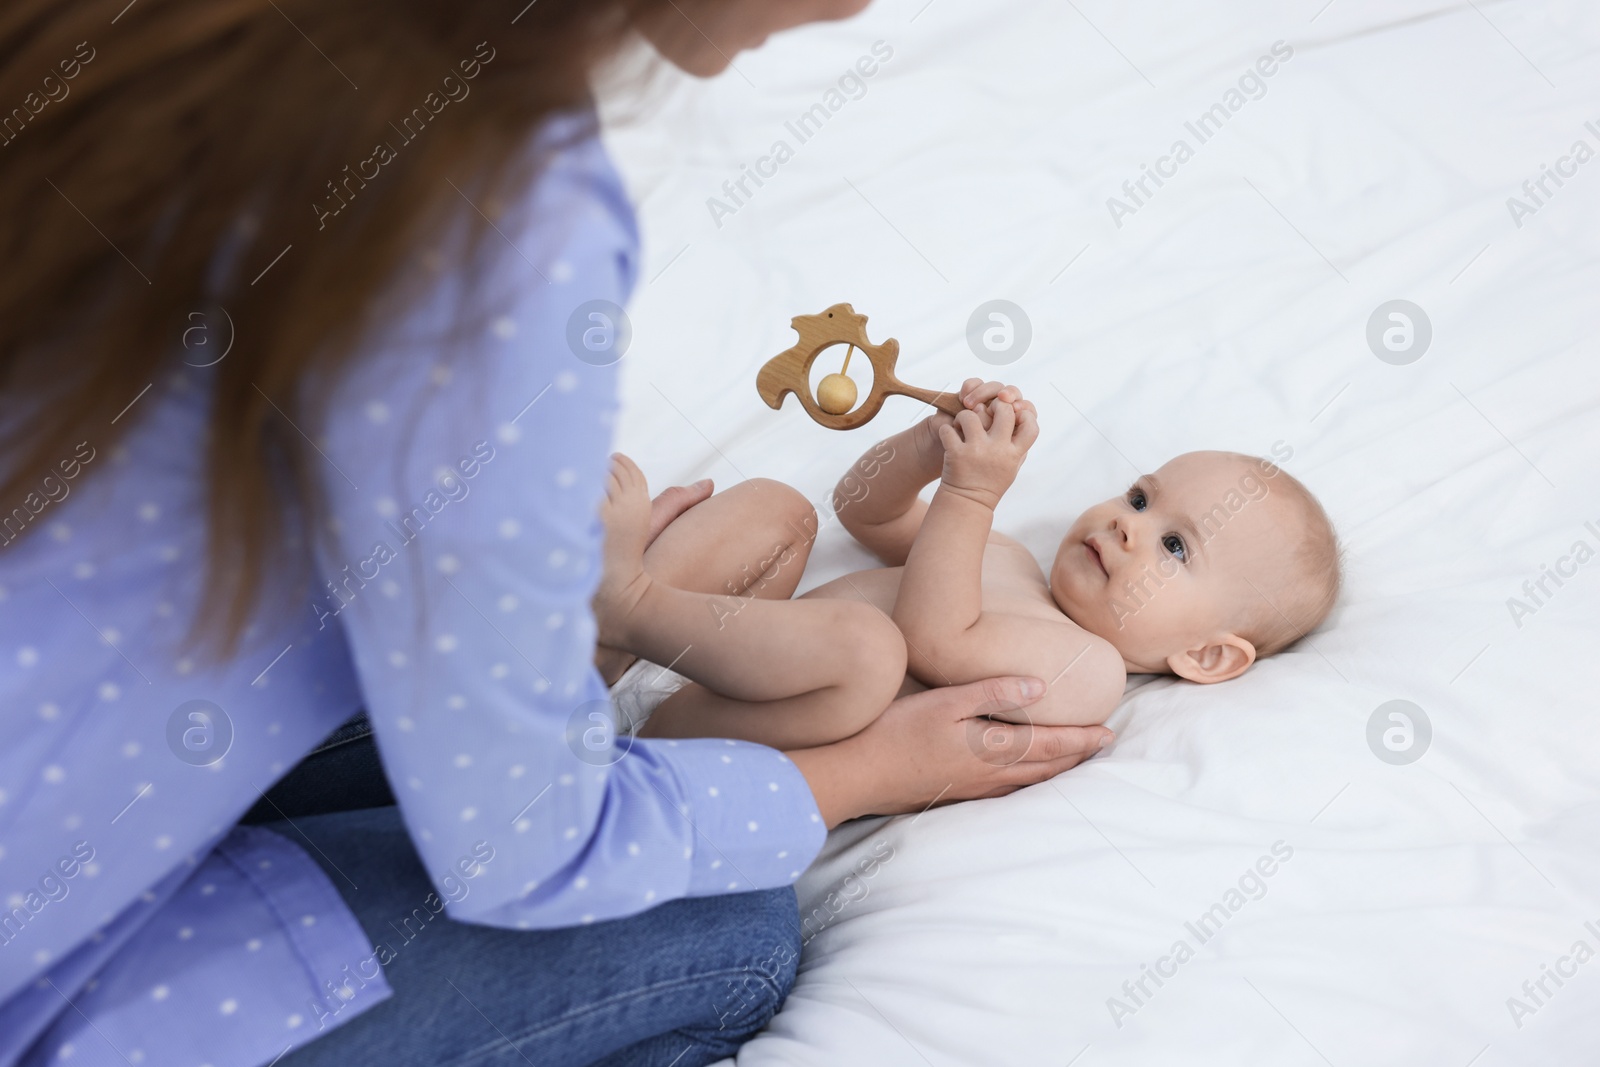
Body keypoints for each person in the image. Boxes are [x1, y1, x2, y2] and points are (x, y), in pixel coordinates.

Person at [0, 2, 1110, 1065]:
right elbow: (520, 849)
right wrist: (869, 767)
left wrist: (526, 573)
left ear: (1220, 647)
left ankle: (594, 649)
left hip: (89, 788)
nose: (850, 7)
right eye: (1150, 511)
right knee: (731, 934)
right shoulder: (495, 215)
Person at [593, 379, 1341, 746]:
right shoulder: (1006, 553)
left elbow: (935, 639)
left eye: (1176, 546)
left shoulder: (1090, 670)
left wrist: (971, 490)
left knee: (869, 647)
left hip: (716, 732)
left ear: (1206, 654)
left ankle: (626, 599)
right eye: (1140, 498)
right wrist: (933, 446)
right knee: (780, 509)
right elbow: (863, 507)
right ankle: (595, 650)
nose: (1126, 525)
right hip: (698, 654)